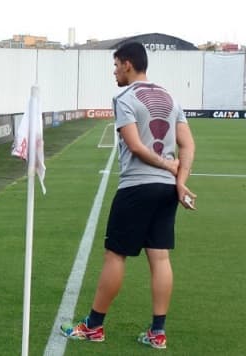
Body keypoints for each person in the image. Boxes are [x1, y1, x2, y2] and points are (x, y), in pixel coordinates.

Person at [60, 42, 196, 349]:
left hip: (137, 187)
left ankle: (94, 326)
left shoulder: (125, 97)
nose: (114, 71)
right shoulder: (170, 97)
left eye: (116, 65)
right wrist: (178, 178)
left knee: (115, 255)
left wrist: (165, 166)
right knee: (160, 257)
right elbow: (188, 145)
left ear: (128, 64)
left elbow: (135, 146)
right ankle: (157, 332)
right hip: (165, 189)